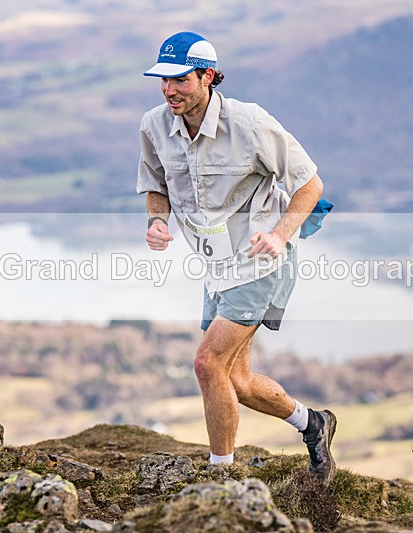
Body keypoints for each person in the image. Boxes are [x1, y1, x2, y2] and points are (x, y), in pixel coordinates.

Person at [137, 31, 336, 482]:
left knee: (207, 363)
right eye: (162, 81)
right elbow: (155, 184)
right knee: (238, 382)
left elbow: (310, 185)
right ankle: (314, 424)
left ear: (207, 76)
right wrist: (157, 221)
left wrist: (282, 235)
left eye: (179, 80)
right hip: (217, 267)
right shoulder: (153, 125)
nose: (169, 90)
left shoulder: (249, 124)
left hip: (264, 260)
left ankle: (220, 477)